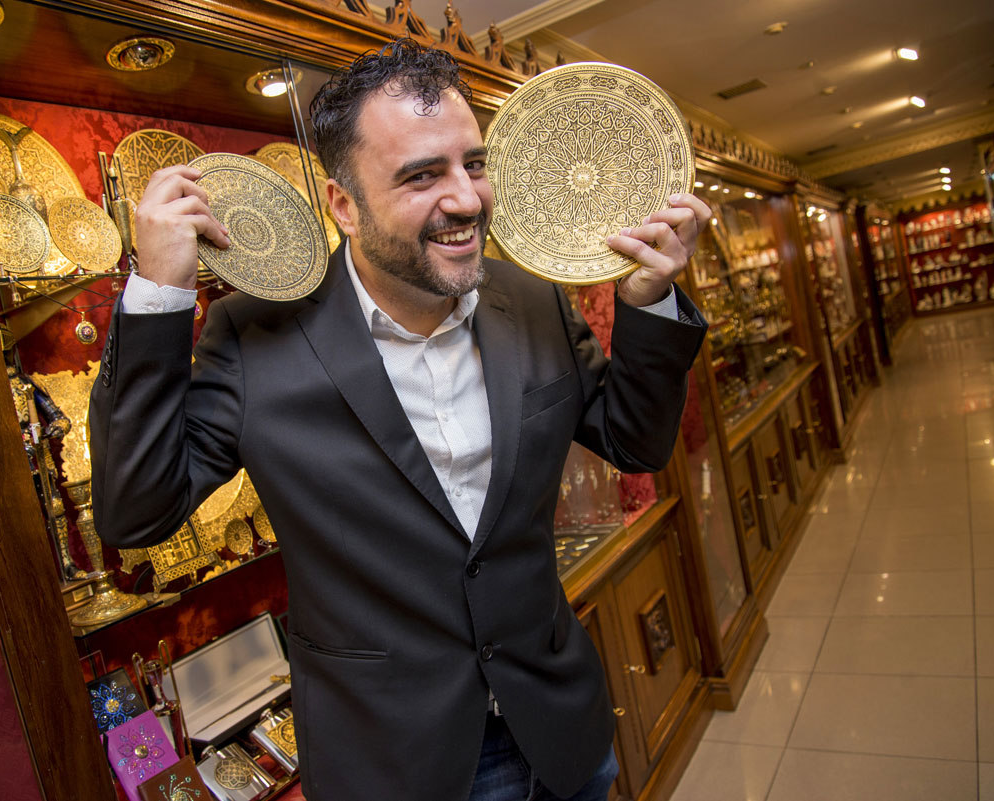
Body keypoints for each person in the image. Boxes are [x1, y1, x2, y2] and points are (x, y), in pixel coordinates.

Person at [90, 39, 710, 801]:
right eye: (422, 175)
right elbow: (136, 510)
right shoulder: (257, 338)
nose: (467, 199)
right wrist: (158, 293)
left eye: (472, 164)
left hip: (560, 734)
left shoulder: (533, 301)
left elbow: (634, 439)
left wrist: (648, 299)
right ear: (343, 205)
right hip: (392, 764)